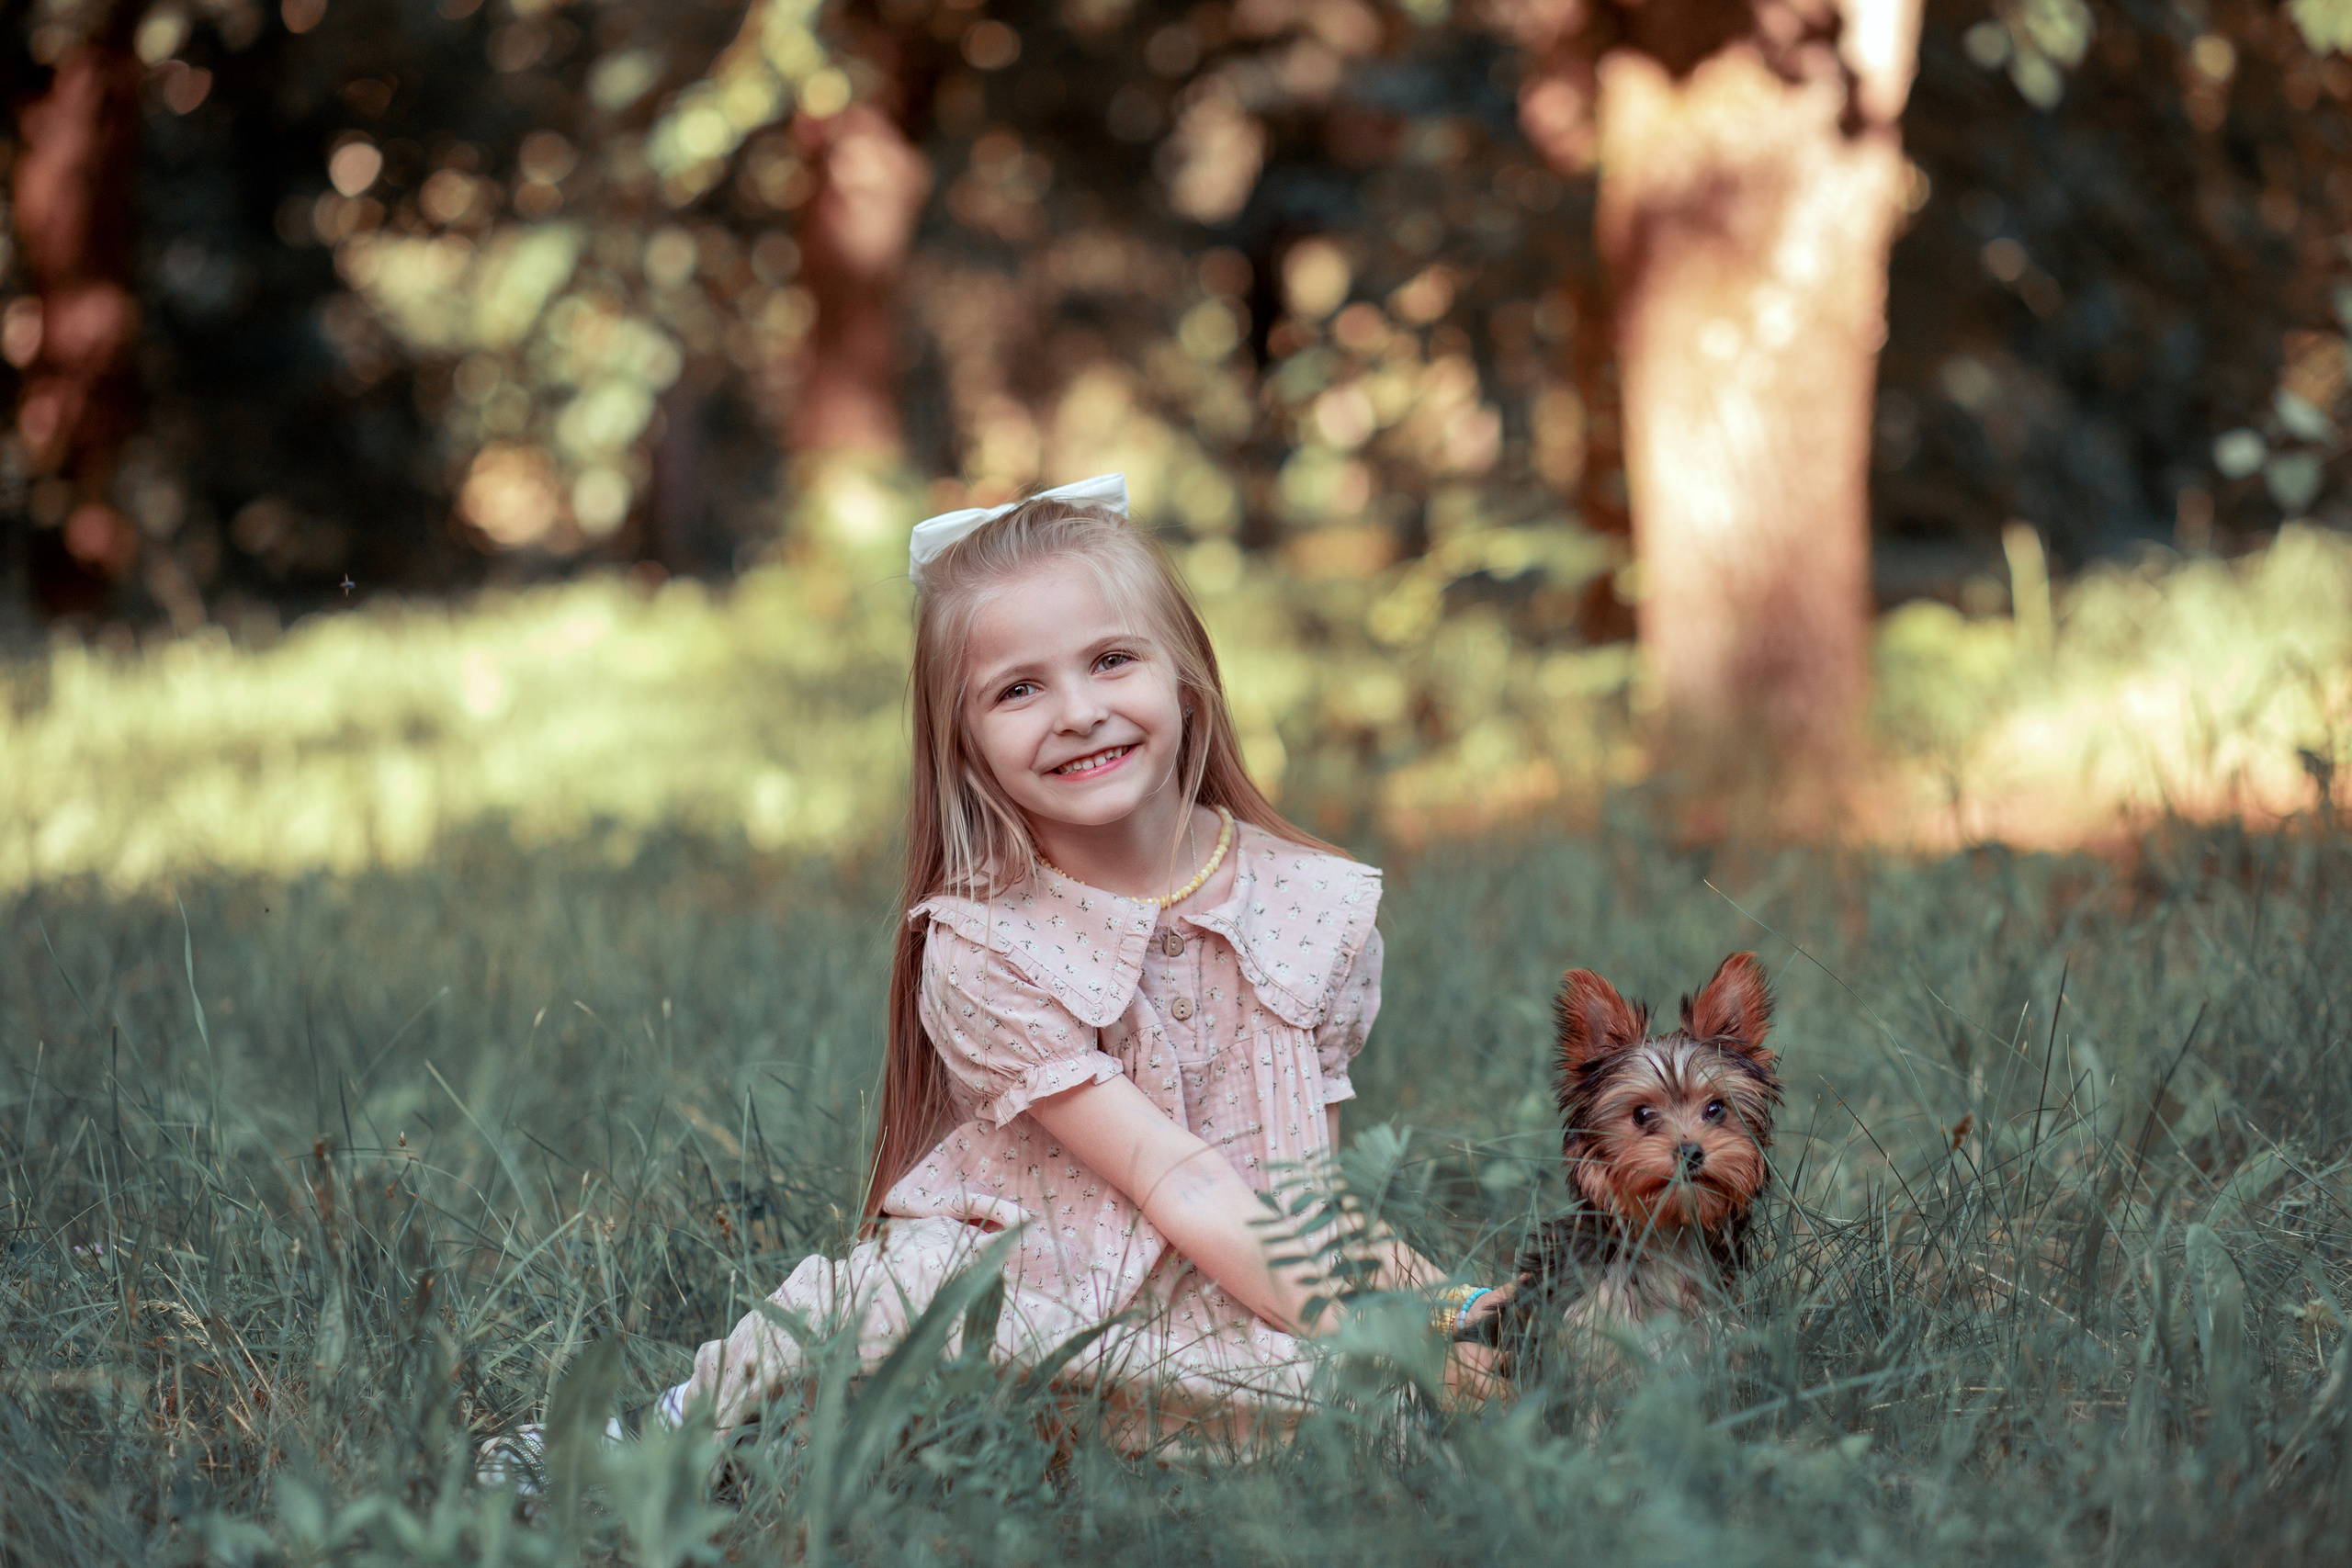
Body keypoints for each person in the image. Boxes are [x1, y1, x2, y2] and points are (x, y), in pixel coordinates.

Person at [646, 475, 1495, 1455]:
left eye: (1110, 660)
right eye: (1018, 689)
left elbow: (1308, 1194)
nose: (1078, 711)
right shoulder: (989, 949)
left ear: (1183, 673)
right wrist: (1365, 1333)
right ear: (961, 745)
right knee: (898, 1312)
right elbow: (1178, 1182)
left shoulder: (1307, 906)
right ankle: (672, 1436)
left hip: (1239, 1277)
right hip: (1040, 1287)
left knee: (1441, 1385)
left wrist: (1442, 1306)